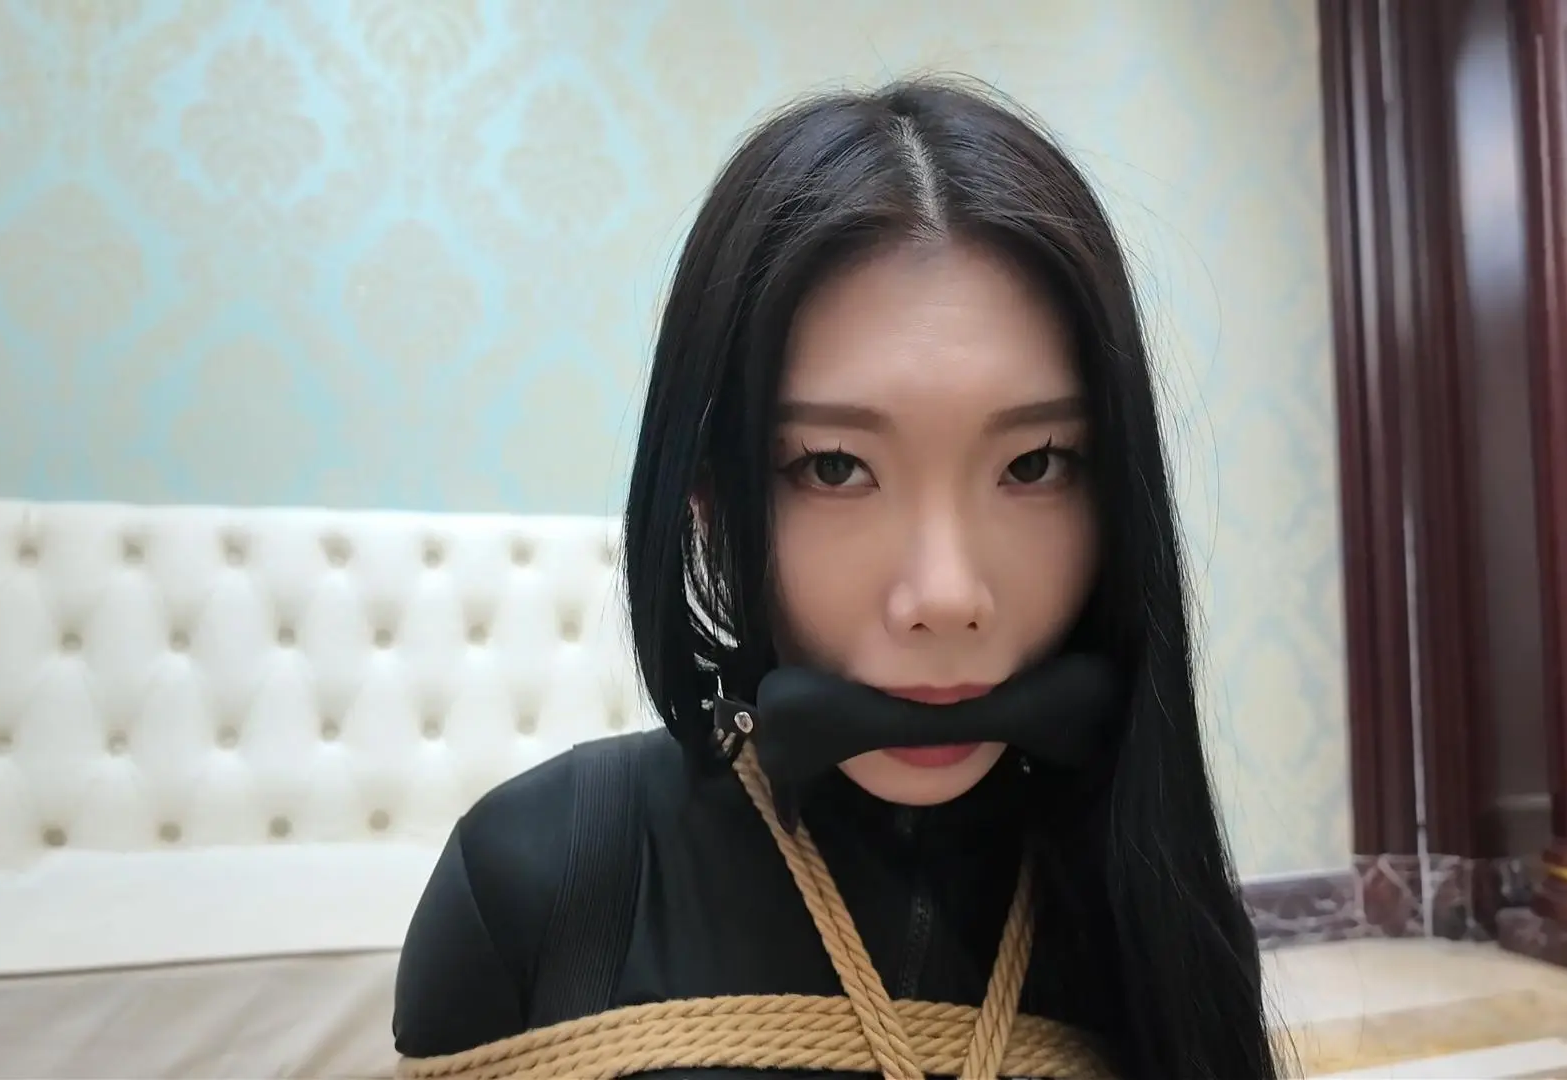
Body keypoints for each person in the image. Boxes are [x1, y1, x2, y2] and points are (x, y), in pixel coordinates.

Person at [393, 77, 1279, 1079]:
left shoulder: (1161, 915)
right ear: (709, 495)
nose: (946, 597)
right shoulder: (536, 881)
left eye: (1035, 464)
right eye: (833, 467)